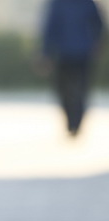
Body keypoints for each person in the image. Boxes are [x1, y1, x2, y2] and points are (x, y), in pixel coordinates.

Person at [41, 0, 104, 136]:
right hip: (63, 54)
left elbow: (98, 23)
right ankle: (71, 119)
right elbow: (50, 27)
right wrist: (46, 53)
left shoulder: (87, 3)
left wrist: (97, 42)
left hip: (83, 53)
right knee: (63, 89)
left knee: (81, 89)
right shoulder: (58, 3)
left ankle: (76, 121)